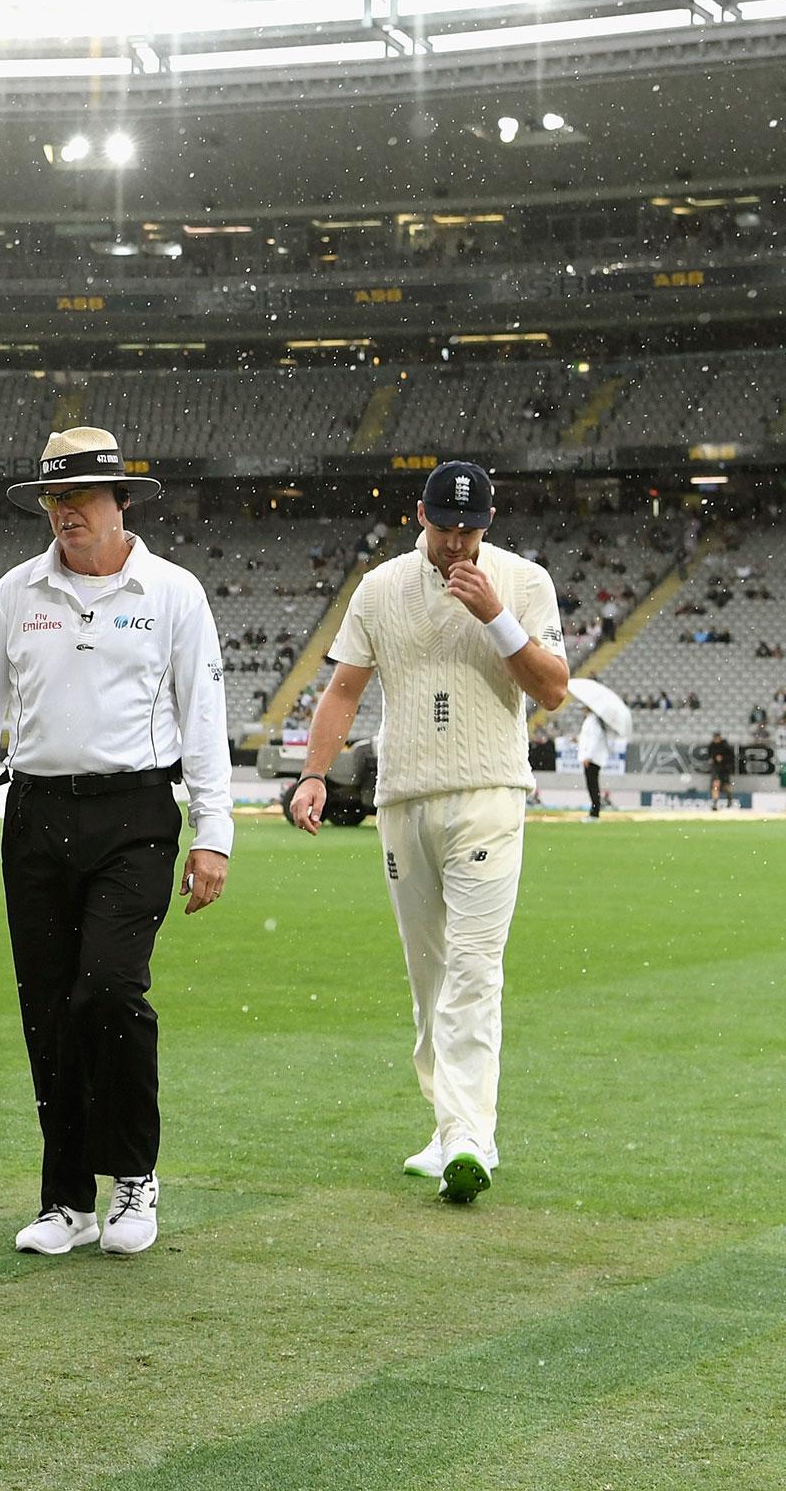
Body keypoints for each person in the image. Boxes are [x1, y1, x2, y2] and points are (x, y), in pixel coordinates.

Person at [0, 428, 233, 1261]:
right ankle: (65, 1199)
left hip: (135, 816)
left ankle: (134, 1175)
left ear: (121, 502)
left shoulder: (173, 593)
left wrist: (216, 834)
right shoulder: (15, 592)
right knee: (49, 1009)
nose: (66, 514)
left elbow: (204, 720)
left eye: (83, 498)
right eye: (54, 500)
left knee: (108, 990)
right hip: (32, 815)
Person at [288, 461, 567, 1205]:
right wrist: (315, 774)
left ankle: (471, 1141)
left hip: (489, 795)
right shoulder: (380, 588)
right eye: (445, 527)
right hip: (403, 799)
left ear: (491, 523)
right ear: (420, 514)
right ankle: (451, 1127)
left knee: (474, 972)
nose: (457, 545)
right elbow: (343, 689)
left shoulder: (524, 581)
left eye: (470, 530)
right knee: (430, 981)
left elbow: (552, 690)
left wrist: (494, 615)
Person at [578, 708, 610, 820]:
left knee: (593, 785)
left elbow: (594, 740)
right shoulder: (591, 720)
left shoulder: (594, 721)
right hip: (591, 757)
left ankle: (595, 812)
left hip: (593, 759)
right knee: (592, 785)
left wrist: (588, 756)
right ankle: (594, 810)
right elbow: (588, 739)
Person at [706, 731, 736, 810]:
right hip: (716, 769)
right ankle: (715, 803)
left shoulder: (725, 746)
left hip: (724, 768)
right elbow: (710, 756)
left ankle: (729, 800)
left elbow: (732, 756)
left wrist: (723, 758)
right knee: (716, 785)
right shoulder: (711, 746)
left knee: (726, 786)